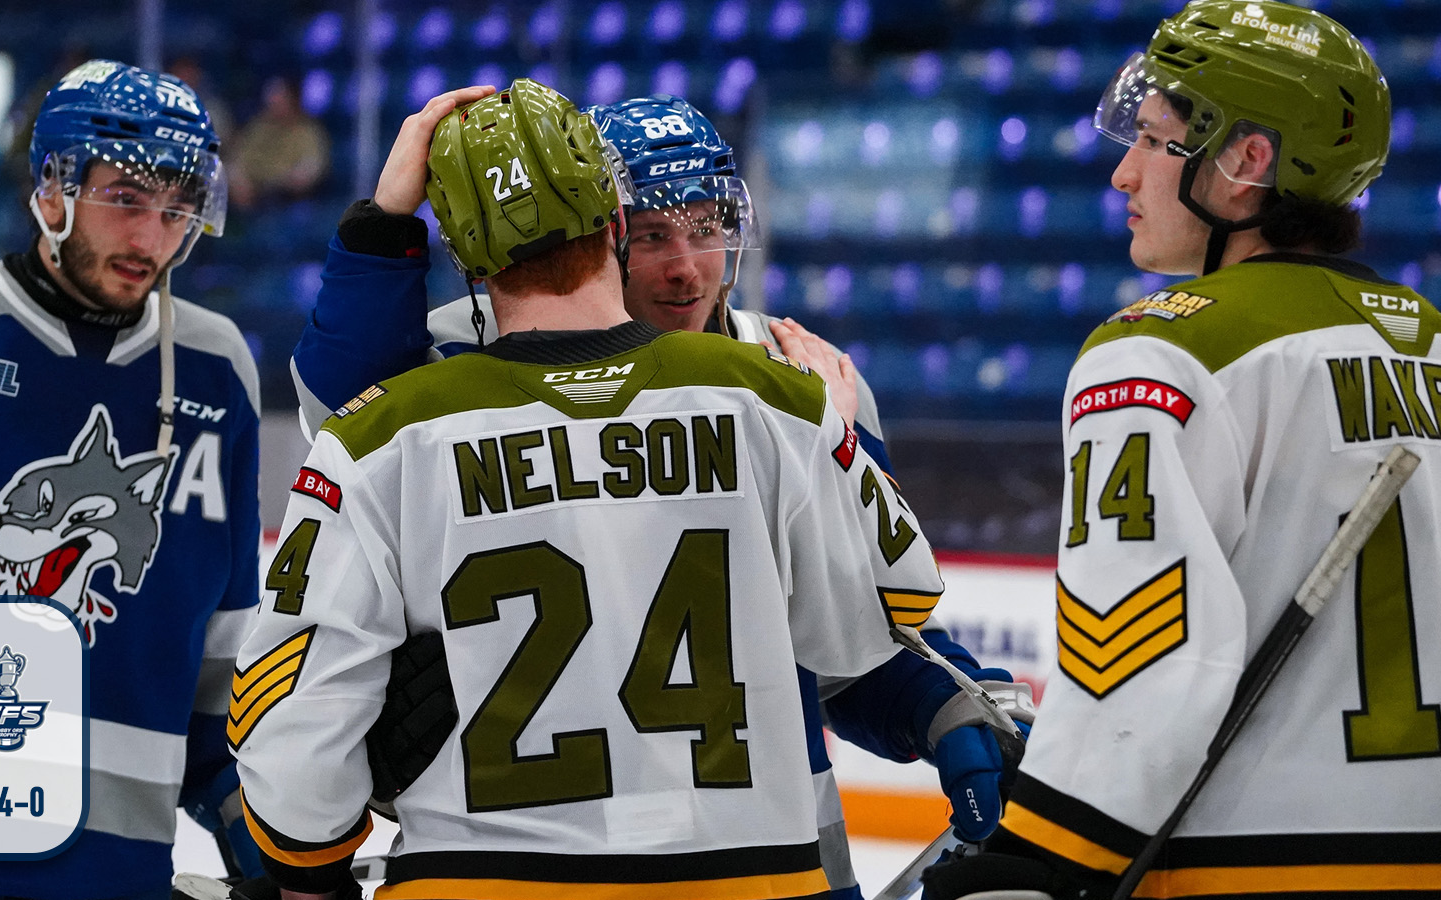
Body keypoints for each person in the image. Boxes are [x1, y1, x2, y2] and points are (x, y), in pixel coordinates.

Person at [232, 78, 967, 900]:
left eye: (707, 228)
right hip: (744, 864)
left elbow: (879, 644)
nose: (684, 268)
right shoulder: (787, 397)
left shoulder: (792, 377)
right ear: (610, 225)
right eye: (653, 234)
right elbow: (883, 605)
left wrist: (951, 710)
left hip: (539, 862)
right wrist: (380, 230)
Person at [924, 3, 1441, 898]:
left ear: (1248, 161)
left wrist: (1039, 859)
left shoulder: (1159, 354)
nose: (1124, 172)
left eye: (1154, 141)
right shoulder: (1429, 343)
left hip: (1246, 870)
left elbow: (1136, 658)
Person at [0, 59, 265, 898]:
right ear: (51, 187)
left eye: (177, 209)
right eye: (127, 199)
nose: (152, 239)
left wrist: (275, 844)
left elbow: (216, 689)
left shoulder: (215, 371)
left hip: (114, 878)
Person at [229, 75, 331, 210]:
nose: (273, 103)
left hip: (285, 199)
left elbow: (310, 170)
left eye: (279, 99)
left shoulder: (309, 131)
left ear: (292, 101)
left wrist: (278, 184)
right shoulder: (259, 126)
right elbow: (237, 160)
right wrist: (239, 182)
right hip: (250, 196)